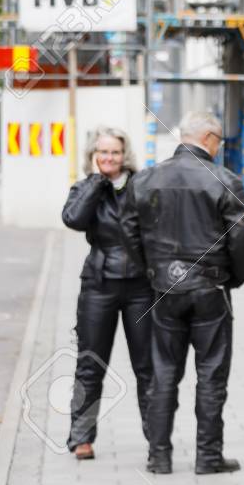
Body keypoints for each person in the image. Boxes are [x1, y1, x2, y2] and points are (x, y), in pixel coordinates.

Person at [120, 112, 244, 475]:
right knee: (211, 373)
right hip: (210, 287)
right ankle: (208, 456)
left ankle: (159, 456)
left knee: (163, 372)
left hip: (164, 288)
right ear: (210, 138)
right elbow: (243, 239)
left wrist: (152, 269)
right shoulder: (225, 180)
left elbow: (128, 230)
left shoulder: (147, 179)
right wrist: (233, 279)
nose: (221, 146)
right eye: (221, 141)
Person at [61, 126, 153, 459]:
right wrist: (98, 183)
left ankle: (156, 437)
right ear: (93, 155)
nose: (109, 158)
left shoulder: (142, 186)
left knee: (148, 366)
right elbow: (73, 219)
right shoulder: (86, 187)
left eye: (114, 152)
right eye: (103, 152)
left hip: (141, 287)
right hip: (99, 285)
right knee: (90, 362)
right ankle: (81, 437)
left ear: (124, 155)